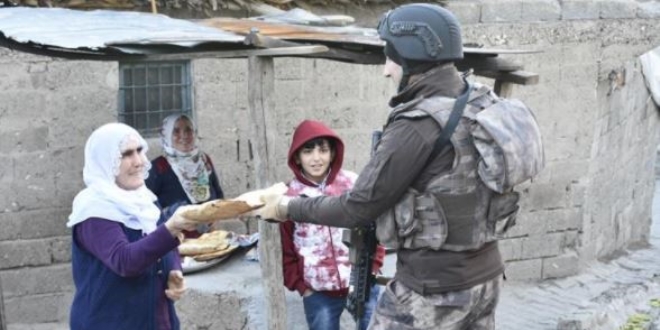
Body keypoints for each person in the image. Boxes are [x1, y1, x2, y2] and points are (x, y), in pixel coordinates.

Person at [249, 4, 543, 329]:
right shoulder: (481, 101)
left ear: (413, 56)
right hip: (485, 281)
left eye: (391, 57)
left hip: (432, 291)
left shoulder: (418, 124)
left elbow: (358, 207)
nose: (387, 70)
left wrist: (287, 207)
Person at [67, 123, 198, 330]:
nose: (138, 161)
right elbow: (125, 261)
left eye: (139, 150)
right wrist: (172, 227)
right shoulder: (93, 211)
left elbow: (164, 244)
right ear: (105, 161)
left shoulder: (143, 199)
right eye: (126, 154)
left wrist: (173, 270)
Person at [280, 120, 385, 330]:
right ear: (297, 158)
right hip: (319, 293)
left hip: (363, 281)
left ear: (333, 154)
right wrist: (302, 287)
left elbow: (375, 228)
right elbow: (285, 250)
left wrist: (374, 266)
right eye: (308, 151)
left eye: (323, 150)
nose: (317, 158)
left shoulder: (353, 184)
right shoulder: (288, 198)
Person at [146, 114, 224, 238]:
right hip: (174, 240)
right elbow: (147, 206)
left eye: (188, 129)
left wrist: (216, 216)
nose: (184, 135)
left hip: (209, 235)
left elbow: (218, 193)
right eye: (176, 131)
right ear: (166, 135)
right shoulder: (159, 166)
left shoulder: (203, 160)